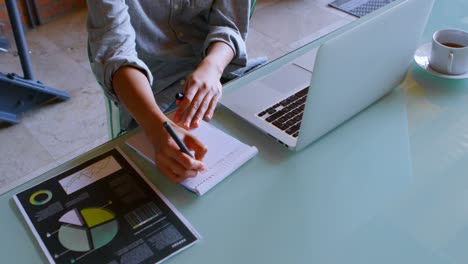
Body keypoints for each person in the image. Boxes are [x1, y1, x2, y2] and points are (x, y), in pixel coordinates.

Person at [87, 1, 261, 183]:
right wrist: (157, 130)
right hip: (152, 100)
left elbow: (229, 25)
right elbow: (115, 54)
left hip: (225, 75)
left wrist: (213, 68)